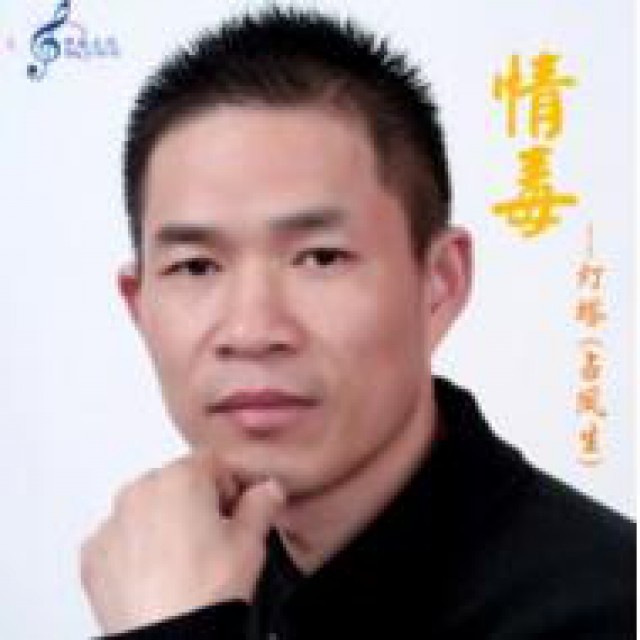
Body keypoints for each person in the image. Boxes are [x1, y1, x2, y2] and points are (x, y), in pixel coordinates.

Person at [80, 7, 635, 639]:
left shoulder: (606, 607)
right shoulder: (179, 574)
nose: (252, 331)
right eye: (196, 266)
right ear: (139, 307)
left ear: (440, 282)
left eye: (321, 258)